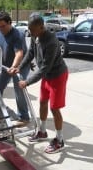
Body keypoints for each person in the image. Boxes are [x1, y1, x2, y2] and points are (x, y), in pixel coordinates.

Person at [14, 14, 68, 154]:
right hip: (47, 76)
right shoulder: (34, 35)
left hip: (57, 75)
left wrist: (27, 82)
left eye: (32, 30)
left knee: (54, 108)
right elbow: (30, 52)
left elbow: (45, 68)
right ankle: (42, 132)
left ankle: (60, 140)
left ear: (41, 27)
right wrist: (19, 67)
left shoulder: (51, 41)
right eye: (29, 30)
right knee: (43, 102)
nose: (30, 33)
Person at [0, 11, 30, 125]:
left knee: (19, 90)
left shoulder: (17, 34)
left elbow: (19, 53)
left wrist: (14, 67)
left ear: (10, 23)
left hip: (19, 67)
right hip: (5, 66)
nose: (0, 29)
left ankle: (24, 117)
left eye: (3, 26)